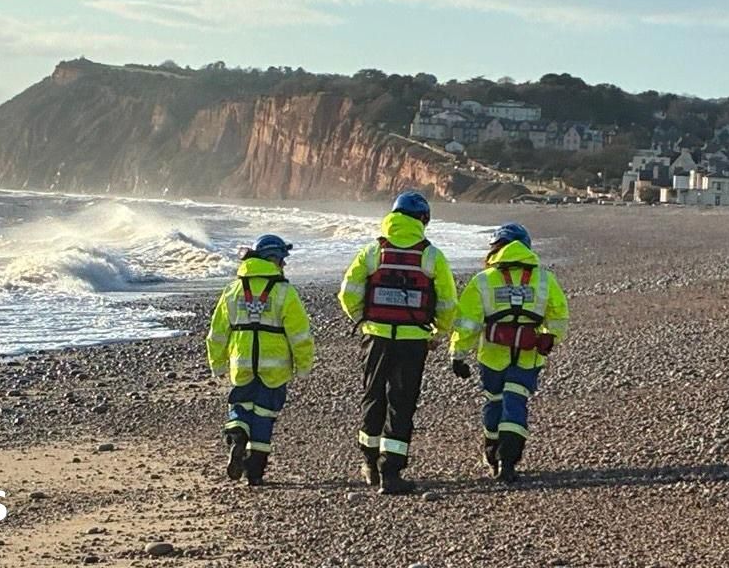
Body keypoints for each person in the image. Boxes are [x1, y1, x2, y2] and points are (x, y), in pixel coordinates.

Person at [338, 192, 457, 494]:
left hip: (376, 338)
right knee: (401, 404)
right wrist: (438, 334)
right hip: (413, 340)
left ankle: (368, 463)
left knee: (373, 396)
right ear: (423, 219)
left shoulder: (372, 251)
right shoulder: (431, 256)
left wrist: (362, 320)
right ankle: (390, 472)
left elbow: (348, 291)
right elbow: (447, 303)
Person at [449, 222, 569, 483]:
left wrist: (458, 355)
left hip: (492, 356)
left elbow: (468, 323)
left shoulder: (483, 280)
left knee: (494, 402)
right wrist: (551, 337)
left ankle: (492, 454)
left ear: (495, 249)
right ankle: (509, 463)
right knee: (516, 402)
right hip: (528, 356)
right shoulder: (545, 279)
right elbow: (558, 315)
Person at [206, 234, 314, 486]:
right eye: (282, 261)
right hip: (274, 368)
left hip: (241, 362)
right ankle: (254, 471)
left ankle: (237, 434)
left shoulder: (232, 290)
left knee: (240, 405)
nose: (284, 266)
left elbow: (217, 332)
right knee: (264, 414)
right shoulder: (285, 292)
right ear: (273, 259)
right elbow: (300, 335)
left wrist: (218, 364)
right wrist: (304, 365)